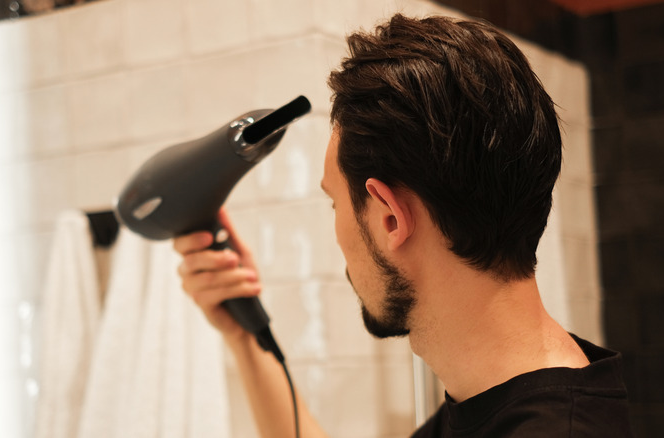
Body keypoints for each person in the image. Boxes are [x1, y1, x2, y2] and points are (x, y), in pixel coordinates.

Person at [173, 14, 633, 438]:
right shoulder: (495, 399)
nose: (337, 233)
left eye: (335, 205)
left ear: (390, 217)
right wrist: (246, 336)